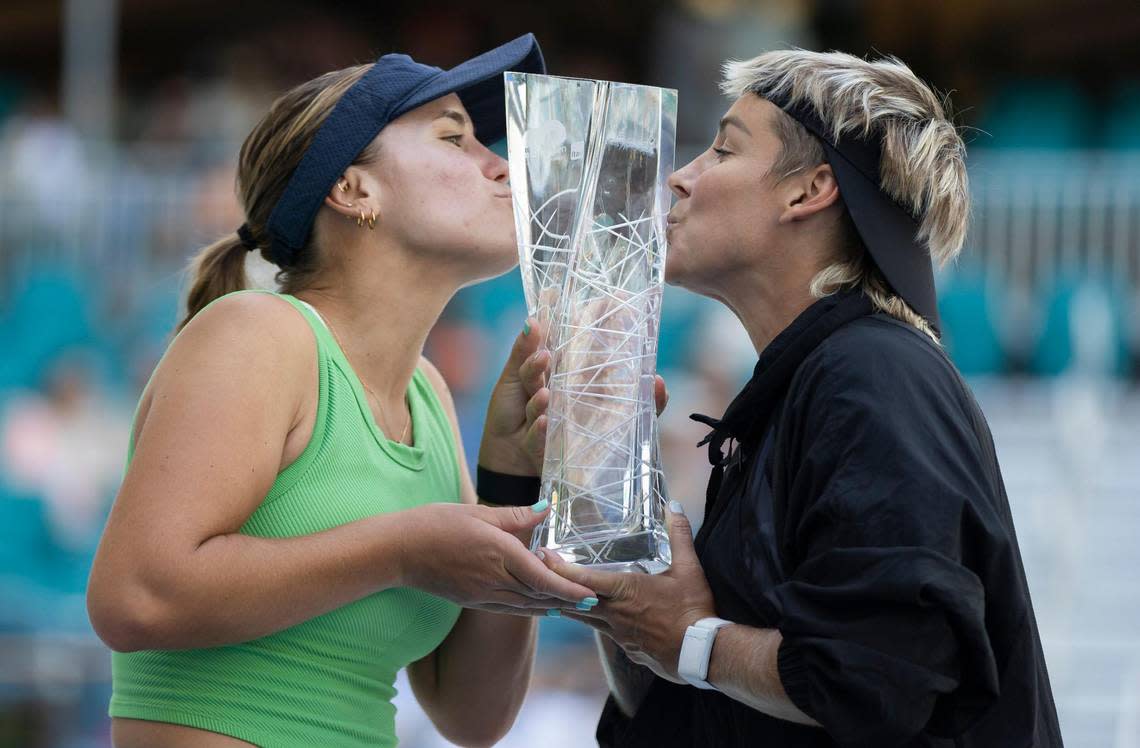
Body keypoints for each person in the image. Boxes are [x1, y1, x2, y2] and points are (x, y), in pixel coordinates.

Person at [86, 34, 604, 748]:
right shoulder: (256, 334)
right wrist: (399, 550)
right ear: (354, 189)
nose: (499, 165)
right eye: (455, 138)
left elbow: (472, 716)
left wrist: (509, 485)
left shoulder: (427, 393)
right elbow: (134, 600)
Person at [540, 50, 1064, 746]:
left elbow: (871, 674)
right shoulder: (807, 385)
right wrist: (595, 461)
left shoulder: (876, 373)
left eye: (723, 149)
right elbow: (685, 699)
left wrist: (696, 640)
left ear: (809, 190)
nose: (680, 177)